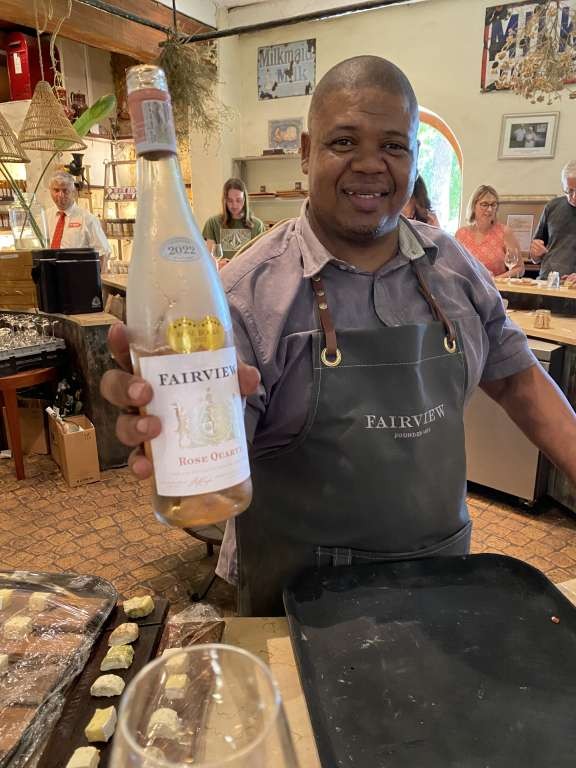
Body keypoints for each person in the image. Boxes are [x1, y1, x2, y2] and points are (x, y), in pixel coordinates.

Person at [101, 56, 576, 617]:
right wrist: (173, 428)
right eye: (344, 142)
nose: (370, 165)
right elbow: (215, 445)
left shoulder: (454, 268)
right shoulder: (245, 296)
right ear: (306, 152)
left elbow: (518, 381)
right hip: (301, 606)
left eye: (393, 146)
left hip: (442, 582)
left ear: (415, 157)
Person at [455, 185, 524, 278]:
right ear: (473, 206)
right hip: (466, 286)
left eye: (493, 204)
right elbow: (453, 266)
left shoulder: (504, 232)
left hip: (495, 286)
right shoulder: (461, 234)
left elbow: (519, 268)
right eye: (484, 204)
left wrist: (494, 281)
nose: (490, 209)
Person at [47, 171, 110, 268]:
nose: (60, 195)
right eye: (56, 190)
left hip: (78, 274)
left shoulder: (88, 219)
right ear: (50, 191)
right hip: (49, 273)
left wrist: (95, 276)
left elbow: (103, 252)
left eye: (65, 191)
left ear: (73, 192)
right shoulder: (45, 217)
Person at [529, 161, 576, 278]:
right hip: (547, 280)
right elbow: (535, 258)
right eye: (569, 191)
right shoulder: (552, 207)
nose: (574, 197)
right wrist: (535, 253)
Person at [202, 178, 265, 262]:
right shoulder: (212, 223)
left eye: (238, 200)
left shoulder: (258, 226)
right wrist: (218, 264)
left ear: (244, 200)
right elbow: (209, 259)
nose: (234, 205)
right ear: (225, 200)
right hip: (222, 270)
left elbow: (260, 259)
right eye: (230, 200)